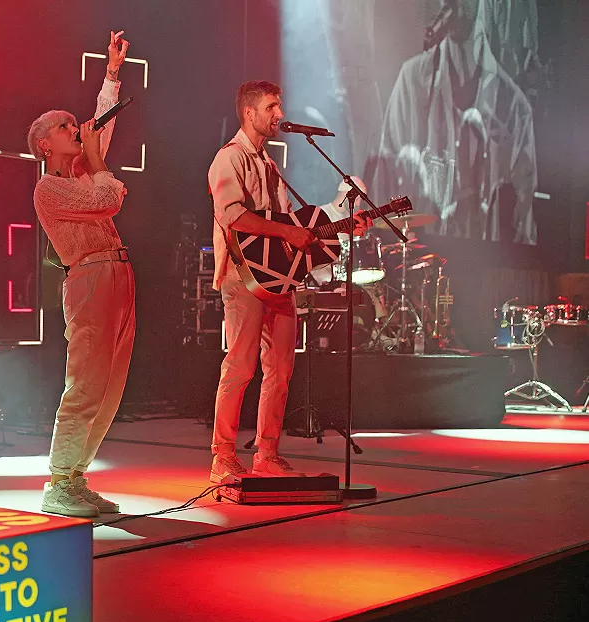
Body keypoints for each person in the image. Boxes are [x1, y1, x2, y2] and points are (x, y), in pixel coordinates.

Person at [207, 81, 370, 485]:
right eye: (271, 107)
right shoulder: (228, 158)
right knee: (240, 367)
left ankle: (267, 453)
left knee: (281, 370)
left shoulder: (270, 164)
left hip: (278, 282)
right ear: (249, 112)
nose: (280, 114)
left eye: (279, 105)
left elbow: (293, 225)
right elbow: (233, 216)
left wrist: (343, 226)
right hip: (243, 278)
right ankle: (222, 456)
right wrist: (288, 233)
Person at [27, 31, 133, 518]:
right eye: (64, 126)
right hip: (90, 279)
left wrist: (111, 73)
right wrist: (98, 159)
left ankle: (76, 477)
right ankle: (58, 481)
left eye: (74, 124)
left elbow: (100, 132)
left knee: (109, 389)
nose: (76, 128)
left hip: (116, 276)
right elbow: (107, 199)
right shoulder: (49, 190)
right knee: (86, 384)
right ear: (44, 144)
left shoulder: (80, 172)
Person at [372, 0, 536, 244]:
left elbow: (522, 221)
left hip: (483, 260)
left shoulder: (513, 106)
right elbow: (384, 184)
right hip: (418, 255)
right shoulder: (412, 81)